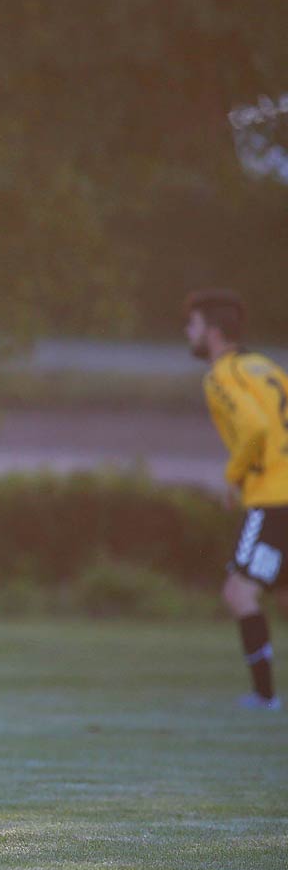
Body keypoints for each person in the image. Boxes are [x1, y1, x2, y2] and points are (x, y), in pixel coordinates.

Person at [186, 289, 288, 710]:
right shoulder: (266, 367)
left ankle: (264, 696)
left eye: (191, 325)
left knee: (239, 593)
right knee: (282, 593)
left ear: (212, 333)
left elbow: (255, 430)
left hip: (274, 497)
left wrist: (232, 478)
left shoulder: (222, 374)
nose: (186, 334)